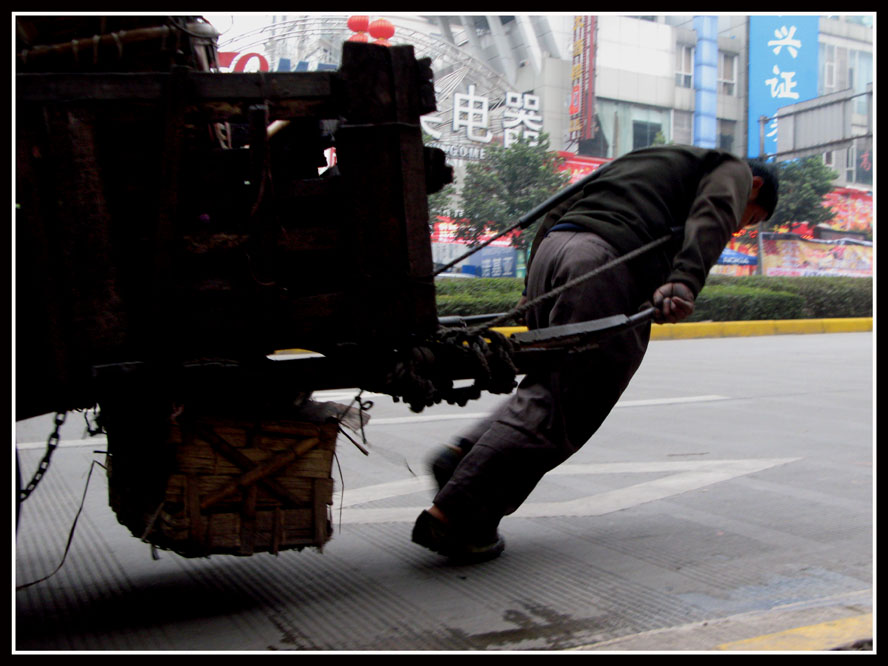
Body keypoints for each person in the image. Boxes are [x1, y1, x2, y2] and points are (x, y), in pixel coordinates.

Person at [411, 144, 779, 563]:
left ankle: (463, 458)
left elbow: (560, 207)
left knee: (551, 384)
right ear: (755, 186)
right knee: (569, 404)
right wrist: (686, 280)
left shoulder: (649, 158)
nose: (738, 227)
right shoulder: (730, 169)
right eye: (749, 219)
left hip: (556, 252)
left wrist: (535, 286)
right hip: (605, 264)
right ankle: (457, 516)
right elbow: (712, 215)